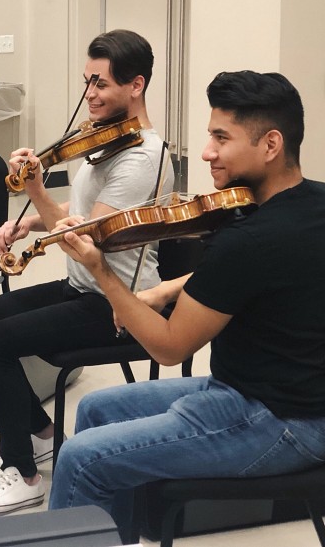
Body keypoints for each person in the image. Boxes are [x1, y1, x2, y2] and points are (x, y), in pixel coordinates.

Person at [49, 70, 325, 530]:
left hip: (279, 420)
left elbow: (169, 348)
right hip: (276, 394)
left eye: (221, 137)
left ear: (270, 145)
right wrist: (165, 287)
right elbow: (266, 274)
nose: (206, 152)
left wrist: (102, 271)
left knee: (80, 460)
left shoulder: (246, 241)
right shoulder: (311, 203)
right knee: (96, 408)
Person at [0, 30, 173, 516]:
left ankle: (24, 475)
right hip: (81, 287)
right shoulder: (107, 143)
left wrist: (36, 194)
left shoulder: (142, 156)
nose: (90, 95)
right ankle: (46, 437)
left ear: (136, 86)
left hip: (119, 304)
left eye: (102, 84)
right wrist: (27, 221)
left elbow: (88, 239)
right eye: (87, 82)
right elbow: (83, 207)